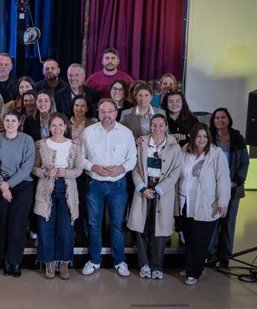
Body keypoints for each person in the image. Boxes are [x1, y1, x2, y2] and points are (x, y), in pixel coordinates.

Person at [79, 99, 137, 277]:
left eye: (110, 111)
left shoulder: (126, 133)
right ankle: (94, 260)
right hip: (94, 184)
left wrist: (122, 168)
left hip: (118, 185)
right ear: (98, 113)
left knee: (117, 225)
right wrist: (92, 167)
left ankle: (120, 261)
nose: (107, 115)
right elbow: (79, 157)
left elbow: (132, 158)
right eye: (103, 111)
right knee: (93, 224)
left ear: (116, 113)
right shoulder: (88, 132)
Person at [127, 115, 182, 280]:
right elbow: (134, 166)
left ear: (166, 126)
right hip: (143, 188)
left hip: (163, 190)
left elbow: (176, 172)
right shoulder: (142, 143)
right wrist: (142, 188)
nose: (157, 128)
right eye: (153, 125)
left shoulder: (174, 146)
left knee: (160, 230)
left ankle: (157, 266)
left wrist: (159, 188)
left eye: (160, 125)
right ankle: (144, 264)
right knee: (141, 227)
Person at [32, 113, 83, 280]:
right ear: (49, 127)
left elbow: (79, 169)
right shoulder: (42, 145)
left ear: (65, 126)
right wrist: (46, 172)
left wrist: (66, 172)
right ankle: (49, 262)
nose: (57, 128)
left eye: (60, 125)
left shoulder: (74, 146)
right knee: (46, 228)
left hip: (67, 190)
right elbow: (34, 168)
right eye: (54, 125)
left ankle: (64, 262)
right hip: (46, 190)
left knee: (65, 229)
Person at [179, 124, 230, 285]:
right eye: (198, 136)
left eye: (205, 136)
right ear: (192, 137)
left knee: (200, 240)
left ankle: (194, 272)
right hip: (186, 202)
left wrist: (223, 203)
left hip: (206, 204)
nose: (201, 139)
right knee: (188, 237)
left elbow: (223, 179)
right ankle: (189, 266)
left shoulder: (216, 154)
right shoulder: (185, 150)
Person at [0, 112, 35, 277]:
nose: (10, 124)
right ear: (3, 123)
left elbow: (27, 167)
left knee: (17, 224)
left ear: (19, 123)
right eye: (7, 120)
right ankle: (5, 260)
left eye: (13, 121)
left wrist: (8, 185)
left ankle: (15, 260)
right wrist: (3, 186)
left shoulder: (27, 140)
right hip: (0, 184)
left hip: (22, 185)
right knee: (3, 223)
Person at [208, 107, 249, 268]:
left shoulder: (237, 138)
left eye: (223, 117)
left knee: (228, 223)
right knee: (213, 221)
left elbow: (244, 162)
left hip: (233, 187)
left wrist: (236, 181)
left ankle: (224, 256)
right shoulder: (209, 137)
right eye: (217, 117)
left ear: (228, 119)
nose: (220, 120)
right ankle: (211, 255)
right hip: (212, 188)